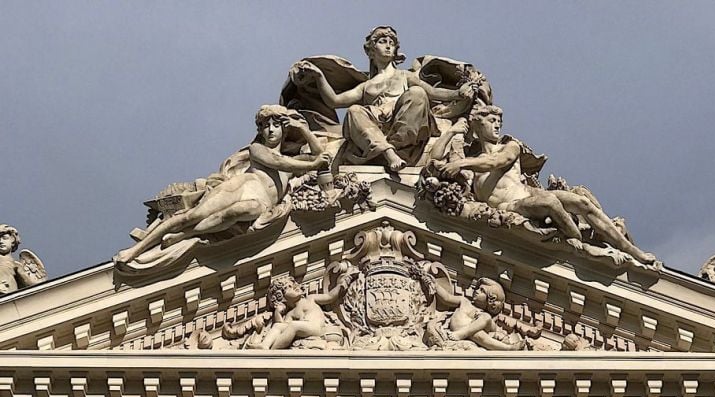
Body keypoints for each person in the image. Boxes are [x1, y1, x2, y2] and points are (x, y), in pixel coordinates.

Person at [433, 104, 656, 264]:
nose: (497, 126)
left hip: (527, 194)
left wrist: (462, 162)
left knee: (582, 201)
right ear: (478, 124)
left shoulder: (509, 147)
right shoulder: (469, 167)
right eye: (492, 121)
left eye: (499, 122)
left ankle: (631, 250)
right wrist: (452, 132)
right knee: (549, 201)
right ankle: (575, 238)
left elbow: (498, 162)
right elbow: (436, 160)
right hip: (510, 207)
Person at [116, 106, 330, 264]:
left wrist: (303, 129)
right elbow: (278, 162)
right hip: (241, 187)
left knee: (234, 214)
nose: (270, 131)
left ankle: (185, 235)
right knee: (192, 216)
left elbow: (322, 155)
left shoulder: (296, 162)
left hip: (261, 203)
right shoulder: (258, 149)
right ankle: (136, 251)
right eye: (265, 126)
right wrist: (313, 163)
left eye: (275, 125)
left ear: (284, 129)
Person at [289, 26, 482, 173]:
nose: (389, 45)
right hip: (377, 128)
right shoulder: (367, 86)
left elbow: (433, 93)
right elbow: (334, 101)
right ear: (371, 51)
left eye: (392, 42)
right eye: (382, 41)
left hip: (404, 126)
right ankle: (388, 152)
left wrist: (458, 93)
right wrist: (319, 76)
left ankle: (393, 148)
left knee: (417, 94)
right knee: (354, 111)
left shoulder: (405, 76)